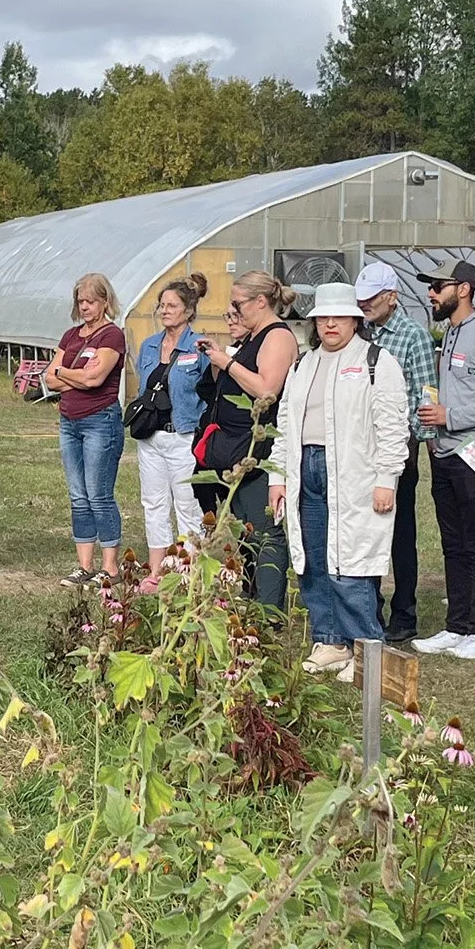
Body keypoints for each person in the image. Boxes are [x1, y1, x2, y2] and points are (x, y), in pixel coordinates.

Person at [269, 284, 408, 675]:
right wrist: (277, 476)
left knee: (351, 560)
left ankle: (367, 649)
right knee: (314, 557)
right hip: (305, 470)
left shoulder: (377, 362)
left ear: (355, 320)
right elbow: (285, 423)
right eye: (323, 318)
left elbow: (393, 428)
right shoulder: (303, 364)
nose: (331, 323)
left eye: (339, 317)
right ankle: (330, 641)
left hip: (354, 474)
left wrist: (387, 479)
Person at [414, 260, 475, 661]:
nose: (431, 293)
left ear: (463, 289)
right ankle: (457, 625)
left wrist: (455, 416)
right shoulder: (450, 332)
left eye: (437, 285)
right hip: (446, 454)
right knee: (453, 544)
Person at [194, 271, 297, 612]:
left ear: (261, 301)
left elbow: (267, 389)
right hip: (237, 449)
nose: (234, 311)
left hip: (261, 451)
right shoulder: (255, 337)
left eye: (238, 304)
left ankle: (269, 611)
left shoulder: (277, 337)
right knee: (245, 533)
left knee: (266, 534)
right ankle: (251, 601)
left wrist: (228, 361)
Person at [353, 260, 433, 642]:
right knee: (365, 530)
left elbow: (425, 391)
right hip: (359, 448)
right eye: (361, 299)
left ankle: (405, 612)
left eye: (371, 299)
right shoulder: (361, 333)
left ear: (391, 297)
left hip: (398, 448)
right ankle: (369, 606)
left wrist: (412, 440)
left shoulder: (412, 336)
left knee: (400, 534)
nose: (364, 305)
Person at [49, 273, 127, 586]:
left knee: (99, 494)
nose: (84, 307)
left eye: (91, 301)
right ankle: (84, 565)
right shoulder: (71, 336)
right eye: (80, 301)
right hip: (69, 421)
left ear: (105, 302)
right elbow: (49, 378)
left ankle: (110, 568)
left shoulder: (112, 336)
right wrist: (75, 374)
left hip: (100, 420)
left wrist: (65, 372)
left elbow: (95, 379)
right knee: (77, 495)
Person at [133, 273, 211, 585]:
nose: (165, 311)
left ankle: (187, 572)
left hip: (183, 435)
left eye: (172, 306)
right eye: (162, 306)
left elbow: (206, 392)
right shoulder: (149, 346)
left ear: (188, 311)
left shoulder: (199, 346)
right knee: (153, 503)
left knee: (187, 504)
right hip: (151, 436)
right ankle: (156, 571)